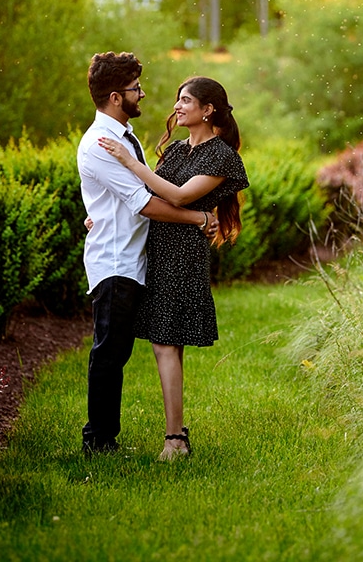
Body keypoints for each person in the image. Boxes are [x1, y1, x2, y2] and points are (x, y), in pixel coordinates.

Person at [99, 75, 248, 461]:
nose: (177, 107)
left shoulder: (221, 155)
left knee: (166, 343)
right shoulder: (179, 150)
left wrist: (128, 160)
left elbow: (179, 196)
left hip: (182, 255)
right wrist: (101, 217)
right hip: (157, 249)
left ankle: (174, 441)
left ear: (208, 109)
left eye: (185, 101)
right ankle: (176, 434)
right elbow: (147, 197)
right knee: (166, 344)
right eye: (178, 101)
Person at [77, 53, 217, 456]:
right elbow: (143, 203)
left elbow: (123, 197)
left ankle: (105, 437)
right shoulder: (101, 143)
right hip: (115, 261)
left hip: (134, 258)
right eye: (137, 88)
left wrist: (96, 215)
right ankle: (98, 441)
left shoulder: (125, 136)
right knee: (110, 351)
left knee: (117, 350)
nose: (144, 93)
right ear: (117, 97)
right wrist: (196, 218)